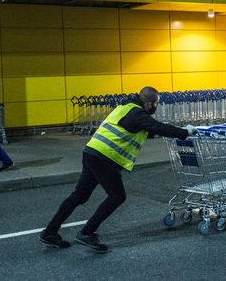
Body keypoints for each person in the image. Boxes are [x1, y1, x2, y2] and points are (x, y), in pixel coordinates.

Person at [40, 86, 197, 253]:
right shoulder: (137, 113)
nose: (156, 107)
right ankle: (87, 232)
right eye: (156, 103)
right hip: (104, 158)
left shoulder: (126, 107)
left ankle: (50, 232)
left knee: (80, 195)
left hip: (92, 152)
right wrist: (184, 132)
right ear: (150, 104)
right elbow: (157, 127)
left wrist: (170, 130)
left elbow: (147, 129)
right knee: (117, 196)